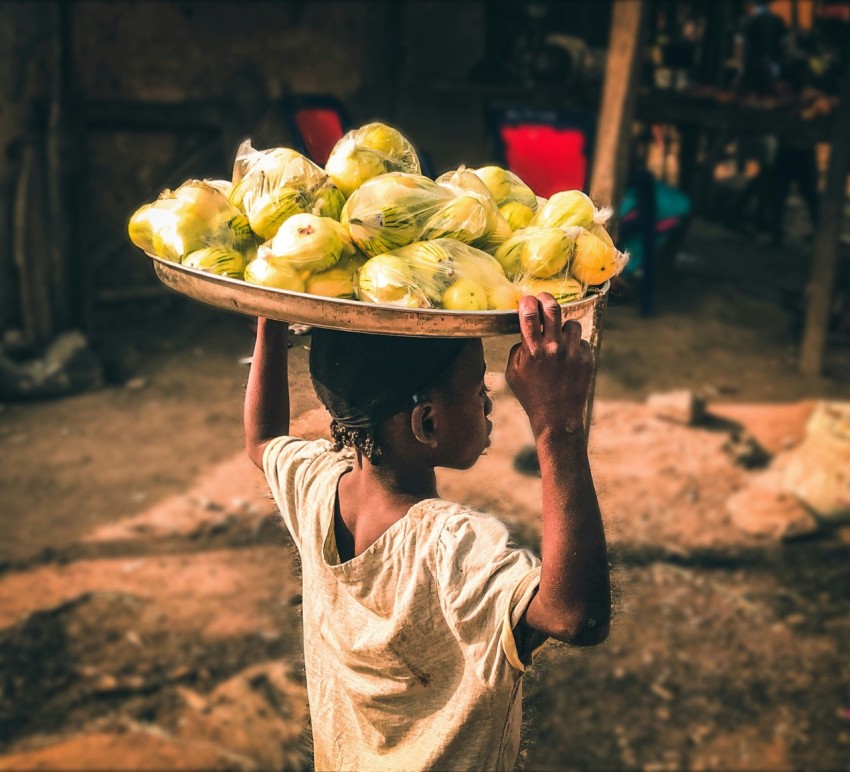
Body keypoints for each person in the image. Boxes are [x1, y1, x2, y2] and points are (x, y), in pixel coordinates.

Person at [244, 294, 611, 771]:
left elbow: (263, 439)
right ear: (427, 422)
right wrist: (557, 424)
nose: (487, 401)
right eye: (478, 387)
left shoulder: (317, 487)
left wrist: (268, 319)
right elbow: (575, 617)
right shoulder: (450, 548)